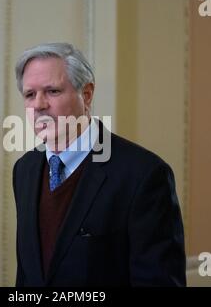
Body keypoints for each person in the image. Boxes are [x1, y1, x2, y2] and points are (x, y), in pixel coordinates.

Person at [12, 42, 186, 286]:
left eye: (52, 91)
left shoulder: (143, 175)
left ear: (87, 94)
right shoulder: (25, 169)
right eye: (30, 94)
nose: (39, 105)